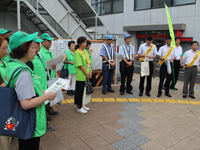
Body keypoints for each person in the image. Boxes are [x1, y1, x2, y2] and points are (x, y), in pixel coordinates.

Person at [4, 31, 56, 150]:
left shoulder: (12, 64)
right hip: (29, 122)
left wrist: (38, 92)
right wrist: (46, 97)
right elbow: (26, 104)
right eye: (32, 47)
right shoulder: (23, 72)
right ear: (23, 49)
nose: (35, 50)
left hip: (21, 121)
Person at [26, 36, 55, 132]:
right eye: (36, 43)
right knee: (39, 107)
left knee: (42, 107)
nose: (39, 45)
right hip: (37, 86)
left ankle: (44, 123)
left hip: (42, 84)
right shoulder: (30, 58)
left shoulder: (38, 55)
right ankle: (42, 125)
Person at [40, 33, 59, 116]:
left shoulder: (50, 52)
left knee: (50, 93)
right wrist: (48, 67)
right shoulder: (40, 52)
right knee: (46, 94)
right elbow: (41, 66)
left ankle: (50, 109)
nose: (50, 43)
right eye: (48, 41)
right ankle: (46, 112)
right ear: (42, 42)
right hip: (45, 77)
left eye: (50, 41)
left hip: (51, 76)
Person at [74, 36, 92, 114]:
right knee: (79, 91)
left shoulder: (85, 51)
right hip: (81, 75)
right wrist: (86, 73)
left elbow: (89, 62)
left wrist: (90, 71)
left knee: (84, 91)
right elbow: (80, 65)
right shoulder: (77, 53)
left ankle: (82, 104)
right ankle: (79, 106)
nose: (85, 44)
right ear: (79, 43)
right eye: (84, 42)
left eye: (86, 42)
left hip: (86, 74)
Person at [0, 36, 12, 150]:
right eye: (4, 48)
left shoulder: (5, 61)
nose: (6, 51)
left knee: (8, 139)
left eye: (7, 48)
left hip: (7, 106)